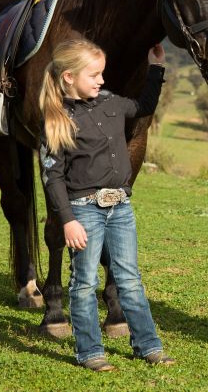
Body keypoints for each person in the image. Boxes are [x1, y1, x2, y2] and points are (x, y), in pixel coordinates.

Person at [39, 39, 174, 371]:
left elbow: (143, 106)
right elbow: (52, 177)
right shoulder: (58, 121)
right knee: (84, 283)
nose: (101, 80)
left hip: (121, 209)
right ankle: (90, 352)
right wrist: (68, 220)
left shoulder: (112, 102)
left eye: (102, 74)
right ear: (68, 77)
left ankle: (148, 346)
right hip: (83, 211)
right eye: (94, 74)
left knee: (129, 279)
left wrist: (156, 68)